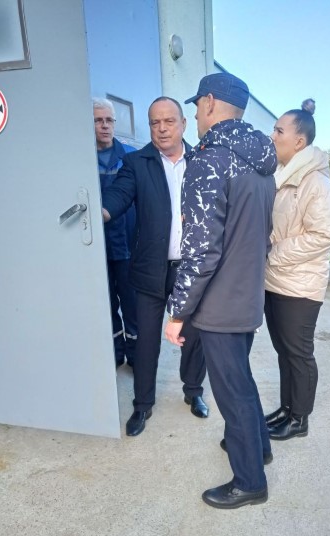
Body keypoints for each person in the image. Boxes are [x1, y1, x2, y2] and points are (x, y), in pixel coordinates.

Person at [164, 73, 277, 509]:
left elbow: (200, 250)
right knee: (240, 379)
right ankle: (258, 447)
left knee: (232, 391)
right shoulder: (260, 161)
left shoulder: (210, 159)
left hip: (220, 303)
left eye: (196, 106)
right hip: (247, 295)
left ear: (210, 102)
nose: (194, 115)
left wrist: (177, 312)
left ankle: (249, 481)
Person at [102, 97, 208, 437]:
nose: (161, 129)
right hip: (150, 269)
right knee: (146, 341)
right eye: (154, 123)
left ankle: (193, 391)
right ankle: (142, 404)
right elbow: (119, 195)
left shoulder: (202, 160)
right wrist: (100, 212)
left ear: (183, 124)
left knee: (194, 336)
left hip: (191, 269)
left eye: (168, 121)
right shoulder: (136, 162)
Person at [264, 99, 330, 441]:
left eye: (278, 130)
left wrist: (273, 253)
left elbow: (323, 235)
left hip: (300, 286)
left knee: (298, 354)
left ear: (299, 141)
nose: (272, 135)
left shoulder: (316, 184)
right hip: (276, 280)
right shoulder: (285, 178)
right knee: (285, 353)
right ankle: (287, 409)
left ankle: (300, 419)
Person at [93, 98, 138, 368]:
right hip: (96, 248)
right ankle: (115, 354)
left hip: (127, 246)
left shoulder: (130, 157)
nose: (105, 125)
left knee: (132, 304)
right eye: (98, 120)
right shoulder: (81, 160)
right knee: (106, 303)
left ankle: (136, 356)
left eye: (109, 120)